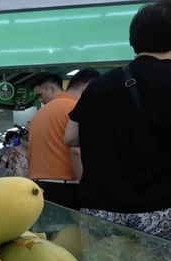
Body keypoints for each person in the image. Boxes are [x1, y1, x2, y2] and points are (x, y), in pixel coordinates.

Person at [64, 0, 171, 240]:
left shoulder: (99, 85)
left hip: (101, 212)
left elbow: (70, 137)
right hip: (160, 212)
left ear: (134, 39)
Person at [29, 70, 99, 210]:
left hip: (38, 187)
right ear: (89, 87)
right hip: (66, 187)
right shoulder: (75, 108)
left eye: (40, 95)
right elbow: (76, 151)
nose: (40, 100)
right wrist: (87, 188)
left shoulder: (38, 114)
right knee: (70, 231)